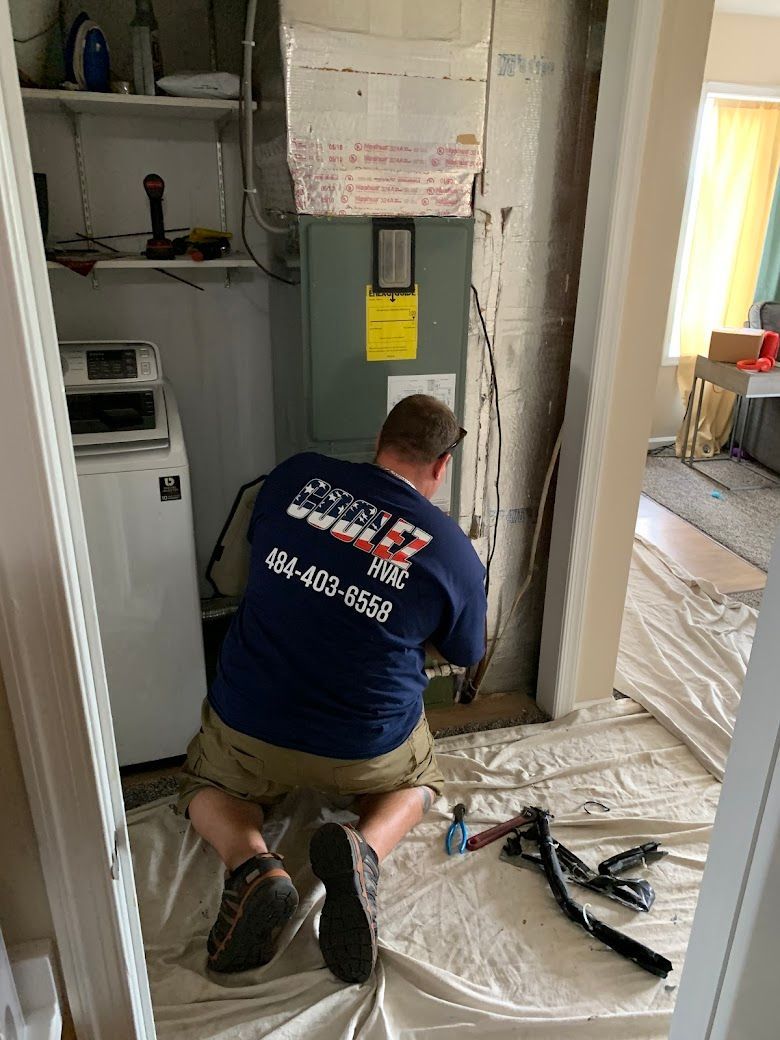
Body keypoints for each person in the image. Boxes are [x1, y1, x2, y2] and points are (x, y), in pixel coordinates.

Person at [178, 394, 487, 983]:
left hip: (251, 725)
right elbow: (462, 654)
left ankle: (253, 865)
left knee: (204, 782)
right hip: (364, 748)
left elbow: (257, 560)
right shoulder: (451, 552)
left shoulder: (295, 476)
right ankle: (363, 850)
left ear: (380, 439)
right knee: (423, 780)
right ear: (442, 466)